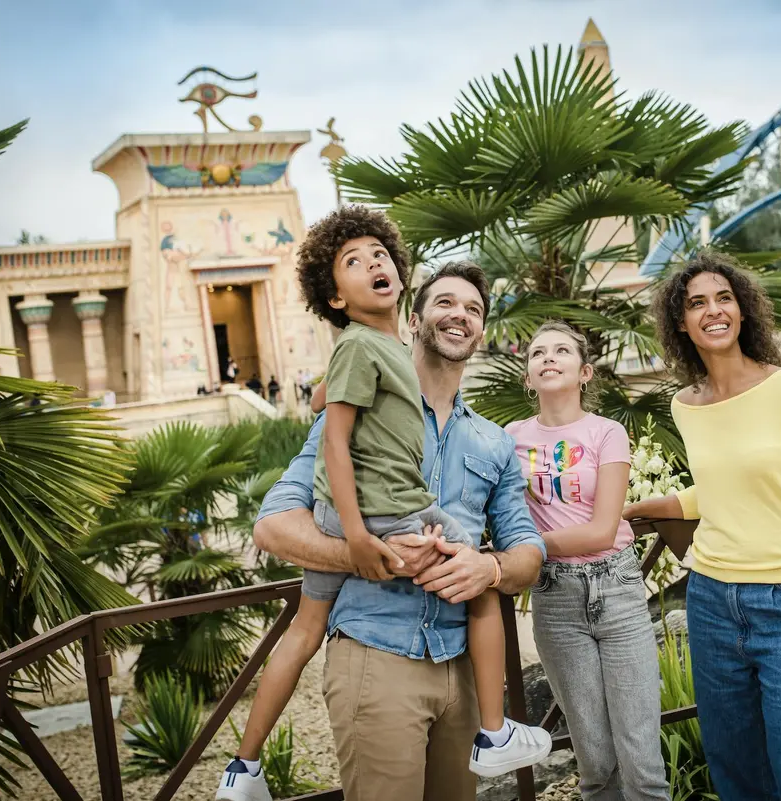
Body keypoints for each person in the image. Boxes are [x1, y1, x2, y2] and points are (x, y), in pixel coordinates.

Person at [218, 222, 549, 801]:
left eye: (473, 308)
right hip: (377, 656)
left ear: (481, 331)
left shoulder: (496, 444)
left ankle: (495, 736)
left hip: (463, 666)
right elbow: (272, 526)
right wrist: (366, 553)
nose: (460, 314)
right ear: (415, 320)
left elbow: (527, 550)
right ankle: (242, 771)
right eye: (444, 301)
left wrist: (488, 570)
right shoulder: (361, 406)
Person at [624, 250, 781, 800]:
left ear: (742, 310)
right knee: (735, 772)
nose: (713, 311)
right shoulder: (685, 405)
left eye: (724, 298)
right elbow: (719, 489)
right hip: (710, 602)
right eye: (696, 303)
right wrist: (643, 508)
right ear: (681, 322)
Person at [506, 321, 667, 801]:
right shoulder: (507, 437)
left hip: (615, 588)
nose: (548, 358)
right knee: (594, 763)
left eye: (561, 351)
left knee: (642, 762)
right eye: (537, 353)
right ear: (529, 377)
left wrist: (525, 546)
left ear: (585, 372)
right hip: (555, 598)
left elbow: (601, 529)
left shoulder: (607, 432)